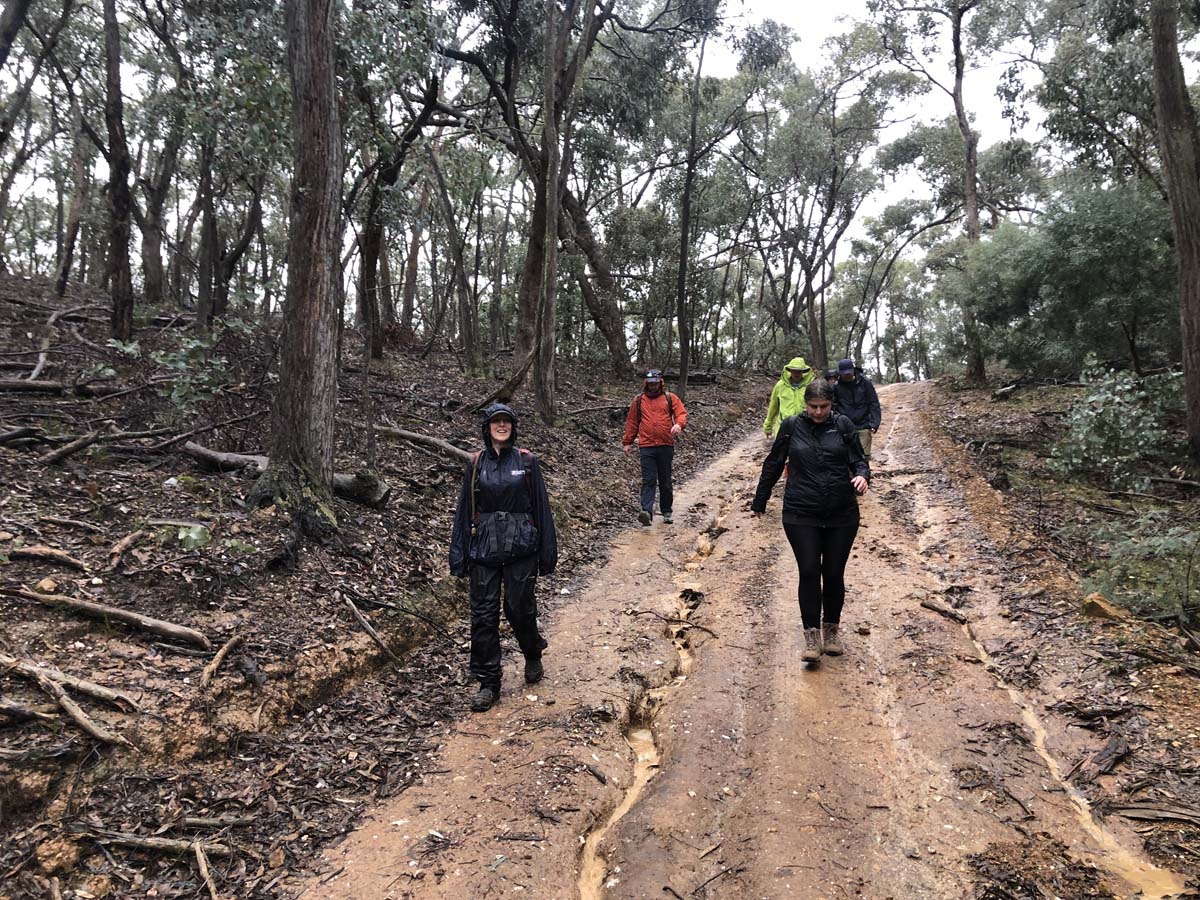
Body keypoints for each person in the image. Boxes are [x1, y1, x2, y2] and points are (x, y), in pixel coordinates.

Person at [751, 380, 870, 664]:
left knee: (833, 573)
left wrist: (862, 476)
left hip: (841, 512)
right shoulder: (792, 426)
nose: (818, 412)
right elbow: (774, 462)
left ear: (831, 404)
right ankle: (812, 636)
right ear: (806, 404)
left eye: (824, 407)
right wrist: (760, 499)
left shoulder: (843, 425)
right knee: (808, 570)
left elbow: (859, 460)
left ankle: (832, 631)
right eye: (813, 406)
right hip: (800, 512)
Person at [450, 403, 557, 712]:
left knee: (519, 607)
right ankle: (489, 683)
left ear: (513, 427)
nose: (501, 426)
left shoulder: (527, 462)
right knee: (483, 616)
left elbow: (541, 506)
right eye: (495, 421)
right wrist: (458, 553)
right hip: (483, 548)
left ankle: (532, 651)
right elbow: (464, 509)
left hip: (521, 546)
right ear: (487, 427)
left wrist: (547, 552)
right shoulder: (476, 463)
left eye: (506, 421)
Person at [623, 369, 687, 526]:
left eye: (655, 383)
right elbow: (632, 422)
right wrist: (627, 442)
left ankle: (667, 511)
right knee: (649, 479)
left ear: (660, 383)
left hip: (665, 444)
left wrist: (678, 425)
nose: (653, 386)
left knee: (665, 480)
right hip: (646, 446)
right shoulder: (639, 400)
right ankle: (646, 512)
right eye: (650, 384)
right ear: (646, 384)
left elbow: (681, 414)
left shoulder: (670, 398)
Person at [832, 358, 881, 459]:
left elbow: (874, 403)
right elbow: (833, 406)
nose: (847, 375)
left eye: (849, 373)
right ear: (840, 373)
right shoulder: (836, 387)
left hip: (863, 425)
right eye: (844, 374)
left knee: (863, 457)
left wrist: (875, 422)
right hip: (844, 427)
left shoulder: (865, 383)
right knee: (847, 457)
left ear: (853, 370)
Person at [762, 357, 815, 438]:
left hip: (804, 427)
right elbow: (773, 406)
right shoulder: (780, 385)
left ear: (803, 371)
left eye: (799, 371)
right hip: (783, 427)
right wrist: (768, 426)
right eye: (794, 370)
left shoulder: (810, 386)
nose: (796, 373)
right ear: (790, 370)